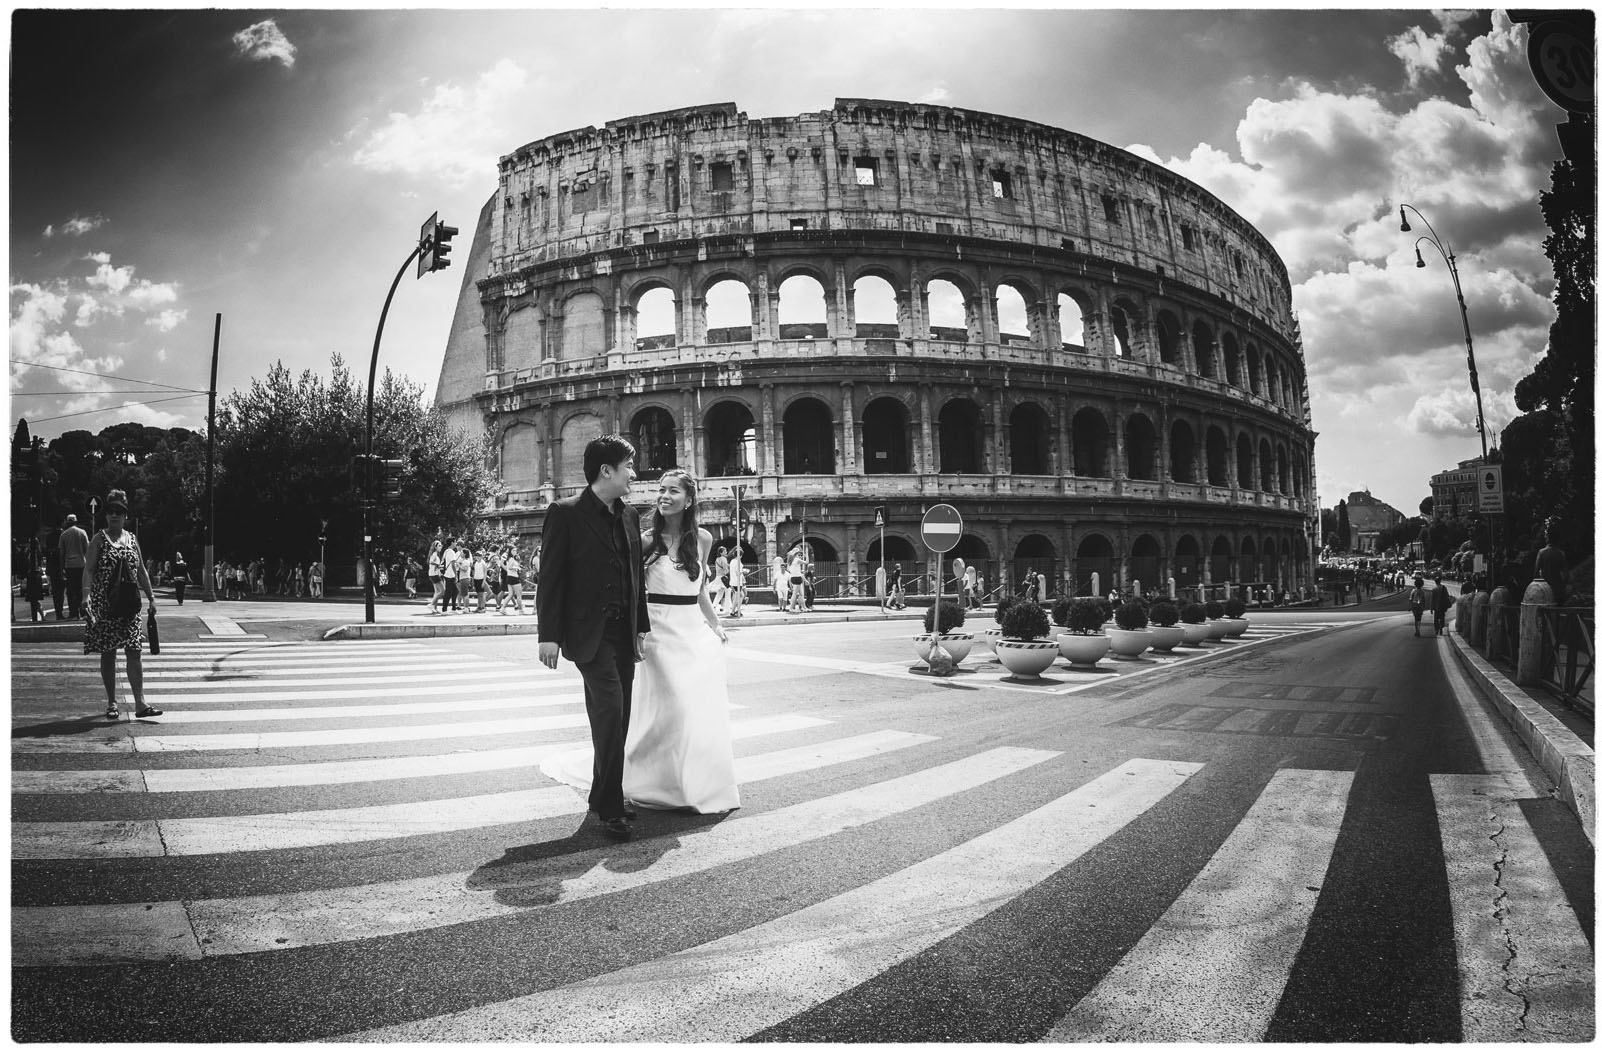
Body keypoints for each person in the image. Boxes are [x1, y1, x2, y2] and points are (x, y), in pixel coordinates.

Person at [536, 435, 650, 842]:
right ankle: (611, 805)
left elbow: (635, 577)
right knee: (609, 711)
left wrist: (641, 628)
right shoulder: (565, 513)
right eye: (628, 467)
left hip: (622, 633)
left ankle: (603, 798)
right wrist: (547, 636)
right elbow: (550, 578)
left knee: (617, 718)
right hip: (588, 634)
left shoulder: (630, 516)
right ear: (607, 471)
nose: (633, 475)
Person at [623, 468, 739, 813]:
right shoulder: (646, 540)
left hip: (692, 631)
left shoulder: (702, 539)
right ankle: (652, 777)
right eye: (661, 490)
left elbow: (700, 588)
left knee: (691, 710)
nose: (664, 496)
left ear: (689, 500)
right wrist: (636, 631)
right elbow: (634, 591)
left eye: (673, 491)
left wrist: (716, 625)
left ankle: (688, 779)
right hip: (658, 630)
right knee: (670, 705)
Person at [82, 489, 161, 721]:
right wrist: (85, 596)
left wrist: (152, 597)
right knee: (108, 653)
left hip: (129, 606)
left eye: (119, 511)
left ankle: (140, 703)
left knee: (134, 651)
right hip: (105, 605)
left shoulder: (132, 539)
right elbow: (88, 569)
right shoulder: (99, 539)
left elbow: (142, 571)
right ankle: (111, 702)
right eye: (110, 511)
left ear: (126, 515)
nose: (114, 515)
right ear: (106, 515)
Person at [58, 513, 90, 619]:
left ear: (67, 522)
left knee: (71, 591)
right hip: (81, 564)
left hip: (69, 566)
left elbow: (62, 553)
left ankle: (73, 613)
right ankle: (83, 612)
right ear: (76, 522)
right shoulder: (82, 532)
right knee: (81, 589)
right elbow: (87, 549)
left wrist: (61, 568)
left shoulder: (64, 535)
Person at [501, 544, 526, 615]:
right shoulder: (511, 559)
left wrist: (518, 568)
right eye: (513, 550)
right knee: (519, 594)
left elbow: (509, 567)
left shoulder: (511, 558)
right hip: (513, 578)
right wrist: (517, 568)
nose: (515, 551)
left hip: (510, 577)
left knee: (511, 594)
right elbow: (509, 567)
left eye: (515, 550)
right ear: (510, 551)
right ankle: (521, 610)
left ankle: (502, 609)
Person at [726, 548, 745, 617]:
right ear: (740, 555)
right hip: (737, 582)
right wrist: (744, 571)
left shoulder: (732, 561)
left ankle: (737, 610)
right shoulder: (738, 562)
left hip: (733, 581)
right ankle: (734, 611)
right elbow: (738, 573)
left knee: (740, 595)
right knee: (738, 596)